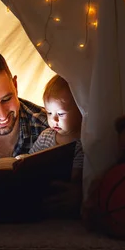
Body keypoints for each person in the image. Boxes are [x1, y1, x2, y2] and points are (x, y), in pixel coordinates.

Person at [30, 75, 85, 217]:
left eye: (61, 113)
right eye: (49, 113)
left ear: (80, 110)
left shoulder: (83, 142)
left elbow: (76, 176)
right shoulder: (45, 137)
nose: (54, 119)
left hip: (65, 196)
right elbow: (29, 160)